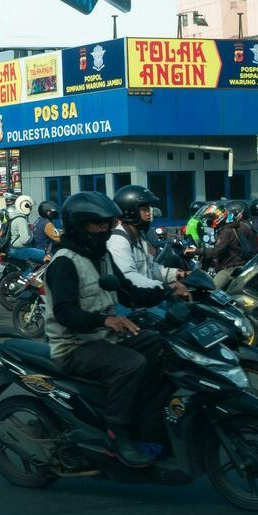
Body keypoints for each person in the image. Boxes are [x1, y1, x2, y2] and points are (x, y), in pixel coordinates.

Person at [42, 191, 173, 468]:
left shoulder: (101, 256)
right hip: (74, 347)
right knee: (131, 364)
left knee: (163, 347)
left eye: (106, 225)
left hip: (105, 338)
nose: (104, 230)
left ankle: (147, 424)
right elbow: (65, 313)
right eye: (97, 225)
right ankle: (117, 435)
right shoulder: (64, 262)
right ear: (80, 226)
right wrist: (104, 321)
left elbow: (128, 291)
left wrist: (168, 291)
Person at [108, 185, 190, 298]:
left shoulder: (139, 236)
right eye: (144, 209)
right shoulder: (118, 240)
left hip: (146, 297)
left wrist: (180, 274)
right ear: (130, 211)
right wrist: (166, 288)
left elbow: (151, 269)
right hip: (129, 305)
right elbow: (128, 276)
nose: (149, 213)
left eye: (149, 209)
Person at [205, 201, 258, 286]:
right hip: (241, 263)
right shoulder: (244, 226)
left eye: (231, 213)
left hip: (232, 267)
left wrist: (200, 251)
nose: (230, 216)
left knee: (213, 290)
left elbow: (219, 250)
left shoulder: (240, 228)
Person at [4, 195, 47, 265]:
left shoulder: (13, 217)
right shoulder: (21, 220)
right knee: (44, 255)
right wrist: (32, 236)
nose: (31, 209)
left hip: (11, 248)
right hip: (17, 250)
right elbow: (24, 240)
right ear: (25, 207)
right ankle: (28, 275)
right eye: (30, 207)